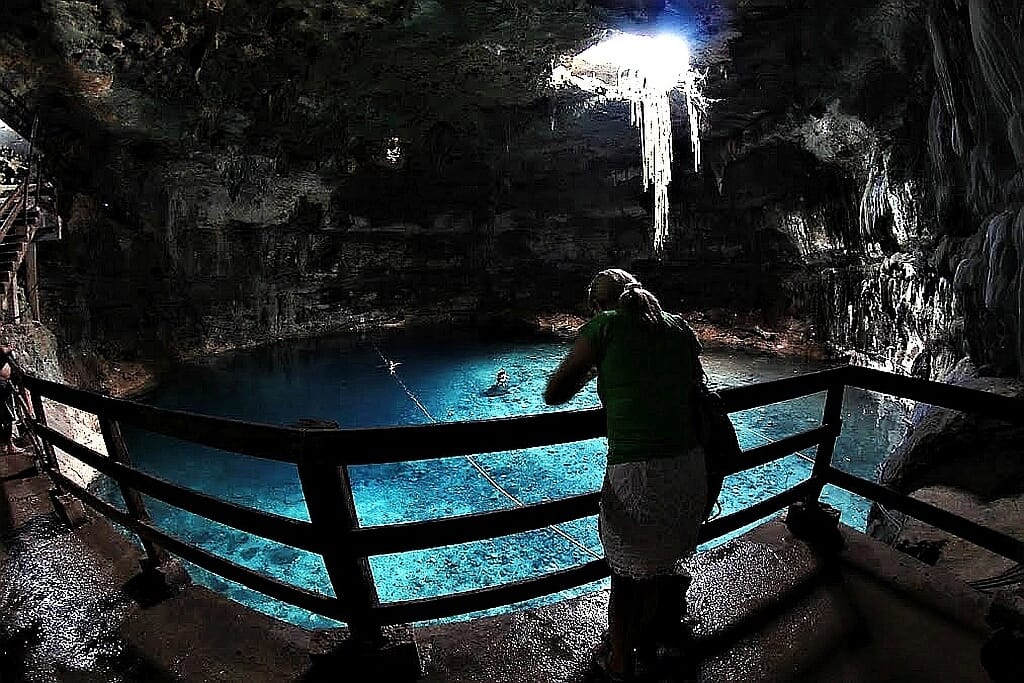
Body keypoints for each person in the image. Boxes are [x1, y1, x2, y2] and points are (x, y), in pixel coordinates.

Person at [544, 268, 706, 680]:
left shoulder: (605, 326)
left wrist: (598, 367)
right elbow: (693, 385)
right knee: (654, 569)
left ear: (599, 304)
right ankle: (641, 637)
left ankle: (618, 662)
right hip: (689, 468)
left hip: (640, 474)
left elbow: (555, 393)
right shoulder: (678, 326)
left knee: (625, 576)